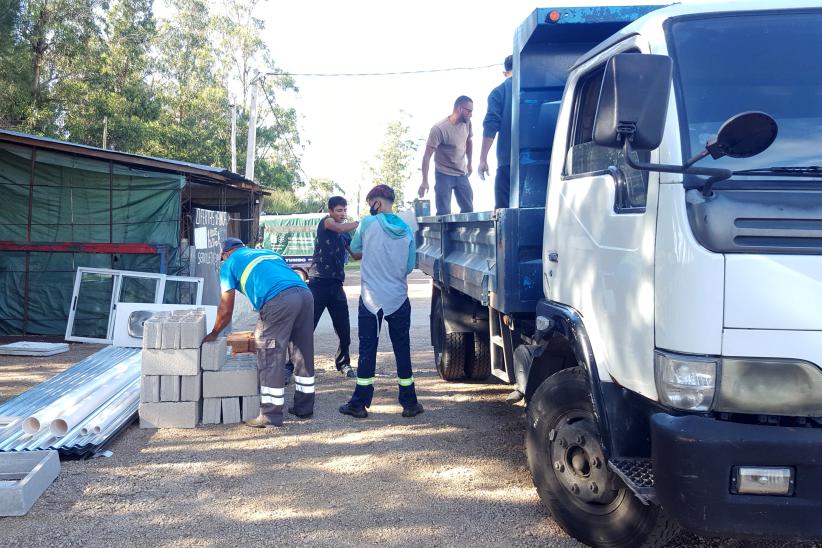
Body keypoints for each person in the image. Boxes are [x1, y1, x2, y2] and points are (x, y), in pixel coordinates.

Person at [203, 238, 314, 428]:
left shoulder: (229, 264)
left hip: (278, 299)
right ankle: (304, 407)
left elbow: (226, 309)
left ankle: (270, 415)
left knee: (269, 353)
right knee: (302, 351)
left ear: (226, 254)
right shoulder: (268, 253)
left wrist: (213, 333)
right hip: (305, 295)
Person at [338, 185, 424, 419]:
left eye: (370, 203)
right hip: (398, 296)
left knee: (367, 349)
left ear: (377, 202)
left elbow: (355, 249)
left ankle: (359, 403)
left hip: (371, 299)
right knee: (402, 349)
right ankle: (409, 403)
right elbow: (408, 267)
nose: (369, 208)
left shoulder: (367, 223)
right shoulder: (407, 229)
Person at [307, 196, 359, 378]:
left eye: (345, 210)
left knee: (344, 329)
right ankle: (291, 365)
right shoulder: (326, 222)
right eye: (339, 210)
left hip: (336, 285)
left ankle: (344, 364)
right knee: (305, 328)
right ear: (330, 211)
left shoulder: (345, 234)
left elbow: (356, 254)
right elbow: (338, 227)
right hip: (317, 284)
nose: (343, 214)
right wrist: (360, 223)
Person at [418, 95, 474, 215]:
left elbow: (469, 142)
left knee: (468, 209)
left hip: (461, 173)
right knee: (444, 211)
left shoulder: (467, 123)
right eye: (469, 111)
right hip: (443, 174)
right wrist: (424, 181)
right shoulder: (439, 129)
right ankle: (445, 232)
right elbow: (427, 156)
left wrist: (469, 164)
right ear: (459, 109)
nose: (471, 114)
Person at [479, 55, 514, 209]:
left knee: (504, 213)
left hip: (508, 163)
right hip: (548, 163)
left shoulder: (499, 92)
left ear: (505, 72)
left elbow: (491, 125)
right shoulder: (541, 86)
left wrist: (483, 159)